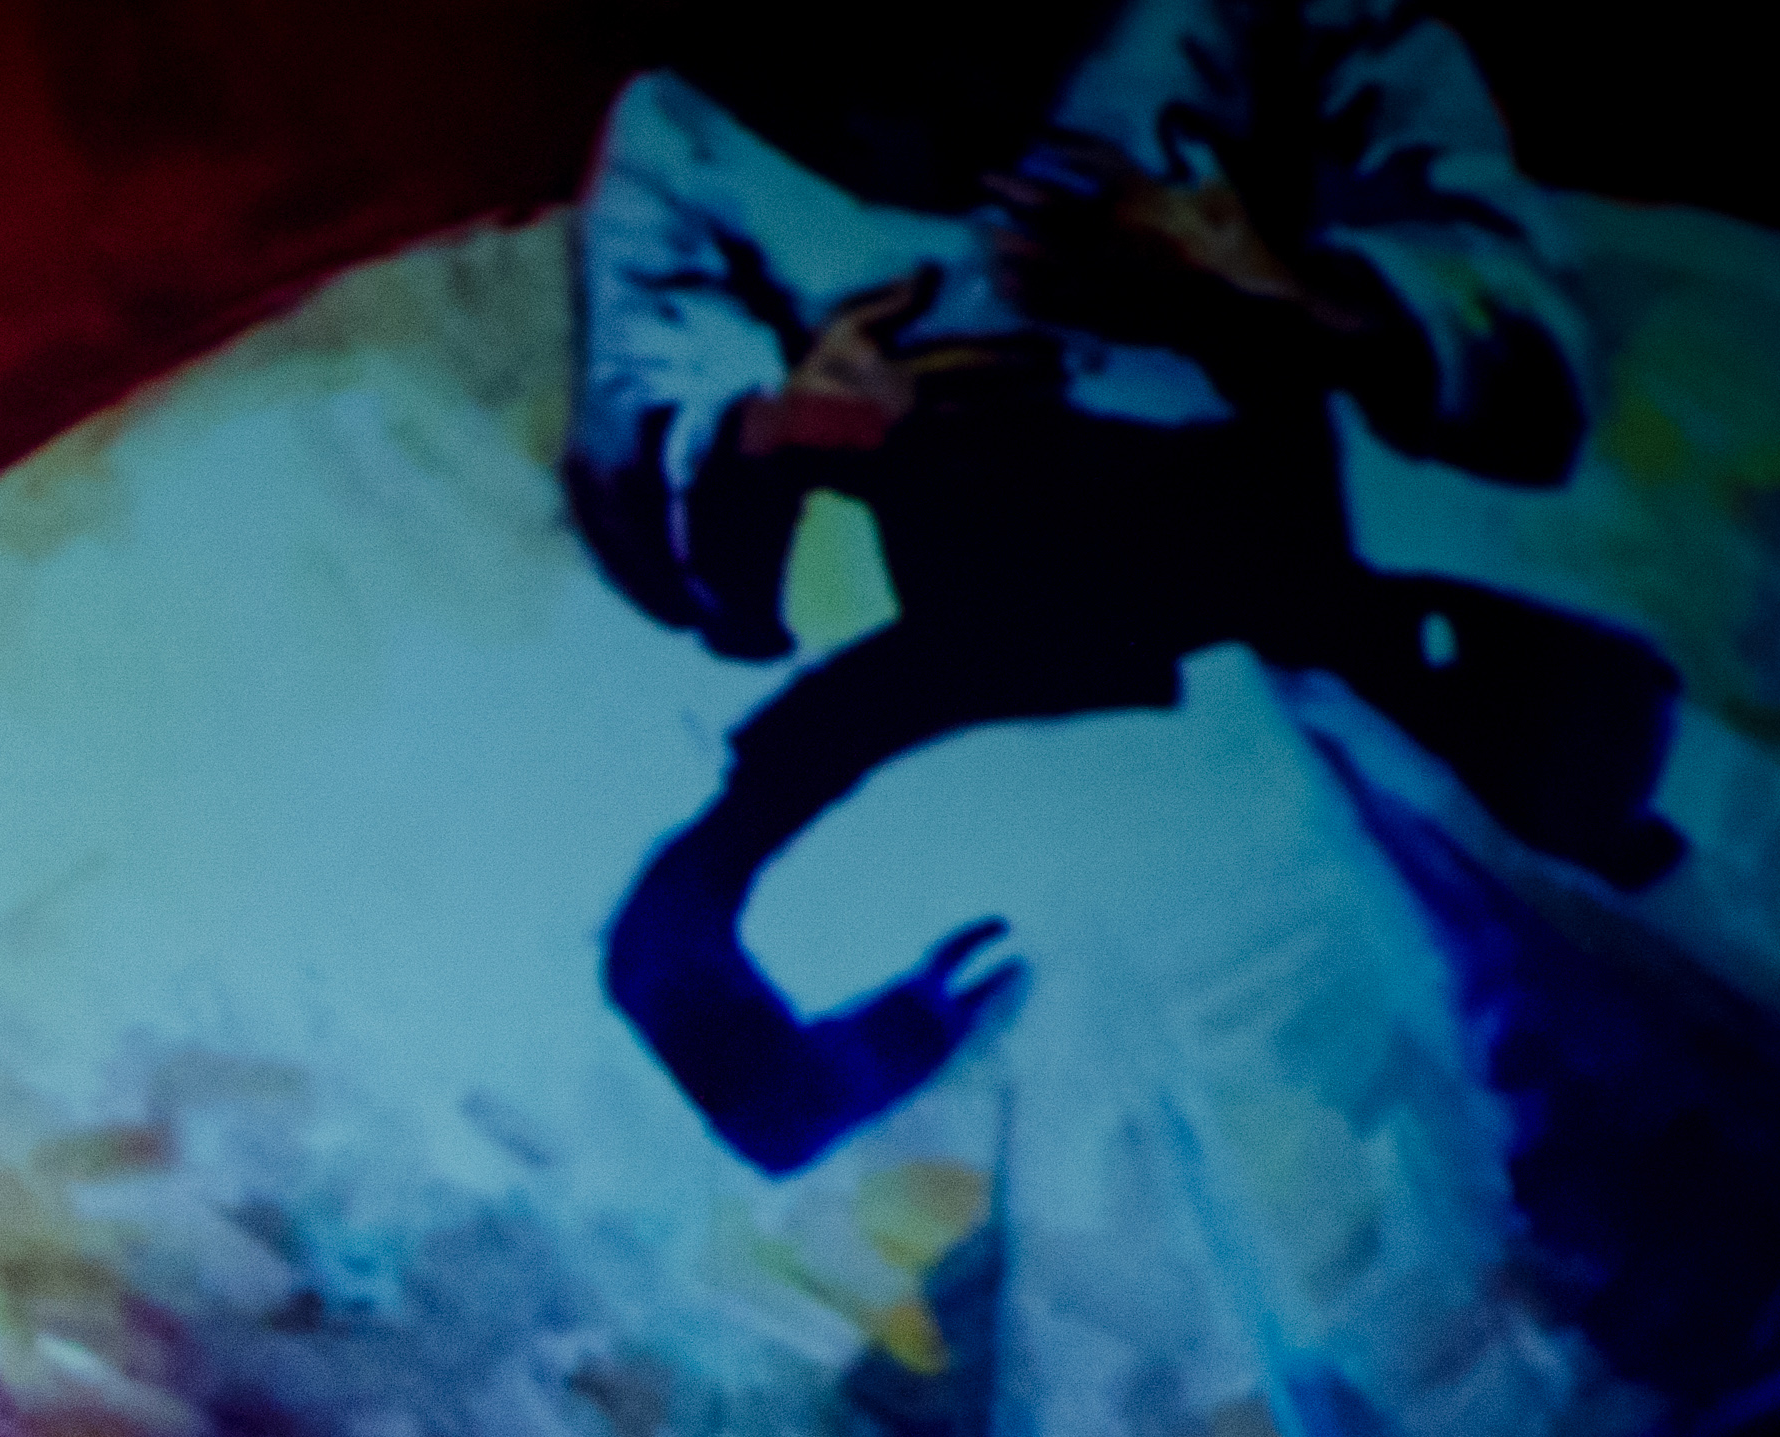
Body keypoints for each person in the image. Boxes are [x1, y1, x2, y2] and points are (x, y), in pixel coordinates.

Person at [565, 0, 1687, 1173]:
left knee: (1522, 1024)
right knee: (677, 956)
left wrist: (1255, 291)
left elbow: (1521, 344)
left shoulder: (1277, 21)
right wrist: (789, 430)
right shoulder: (686, 120)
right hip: (965, 679)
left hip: (1298, 640)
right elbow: (641, 473)